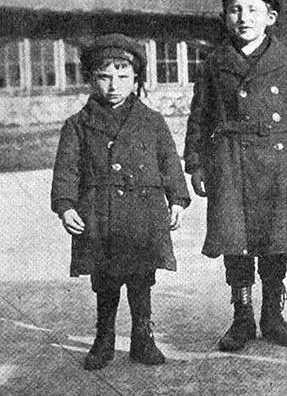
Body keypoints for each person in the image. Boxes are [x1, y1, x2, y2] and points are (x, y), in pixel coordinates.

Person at [184, 0, 287, 352]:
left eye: (253, 10)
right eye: (235, 10)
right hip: (229, 160)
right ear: (225, 16)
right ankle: (242, 317)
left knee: (276, 242)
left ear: (270, 17)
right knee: (235, 242)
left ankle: (273, 314)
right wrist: (196, 163)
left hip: (278, 162)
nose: (244, 17)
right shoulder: (215, 63)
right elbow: (200, 116)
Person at [51, 34, 190, 370]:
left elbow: (169, 162)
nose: (114, 85)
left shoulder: (152, 121)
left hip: (142, 215)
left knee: (142, 279)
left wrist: (177, 200)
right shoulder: (77, 126)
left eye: (123, 76)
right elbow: (66, 169)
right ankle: (104, 339)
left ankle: (143, 338)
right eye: (105, 76)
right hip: (100, 214)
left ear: (135, 79)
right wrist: (66, 205)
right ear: (90, 79)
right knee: (106, 281)